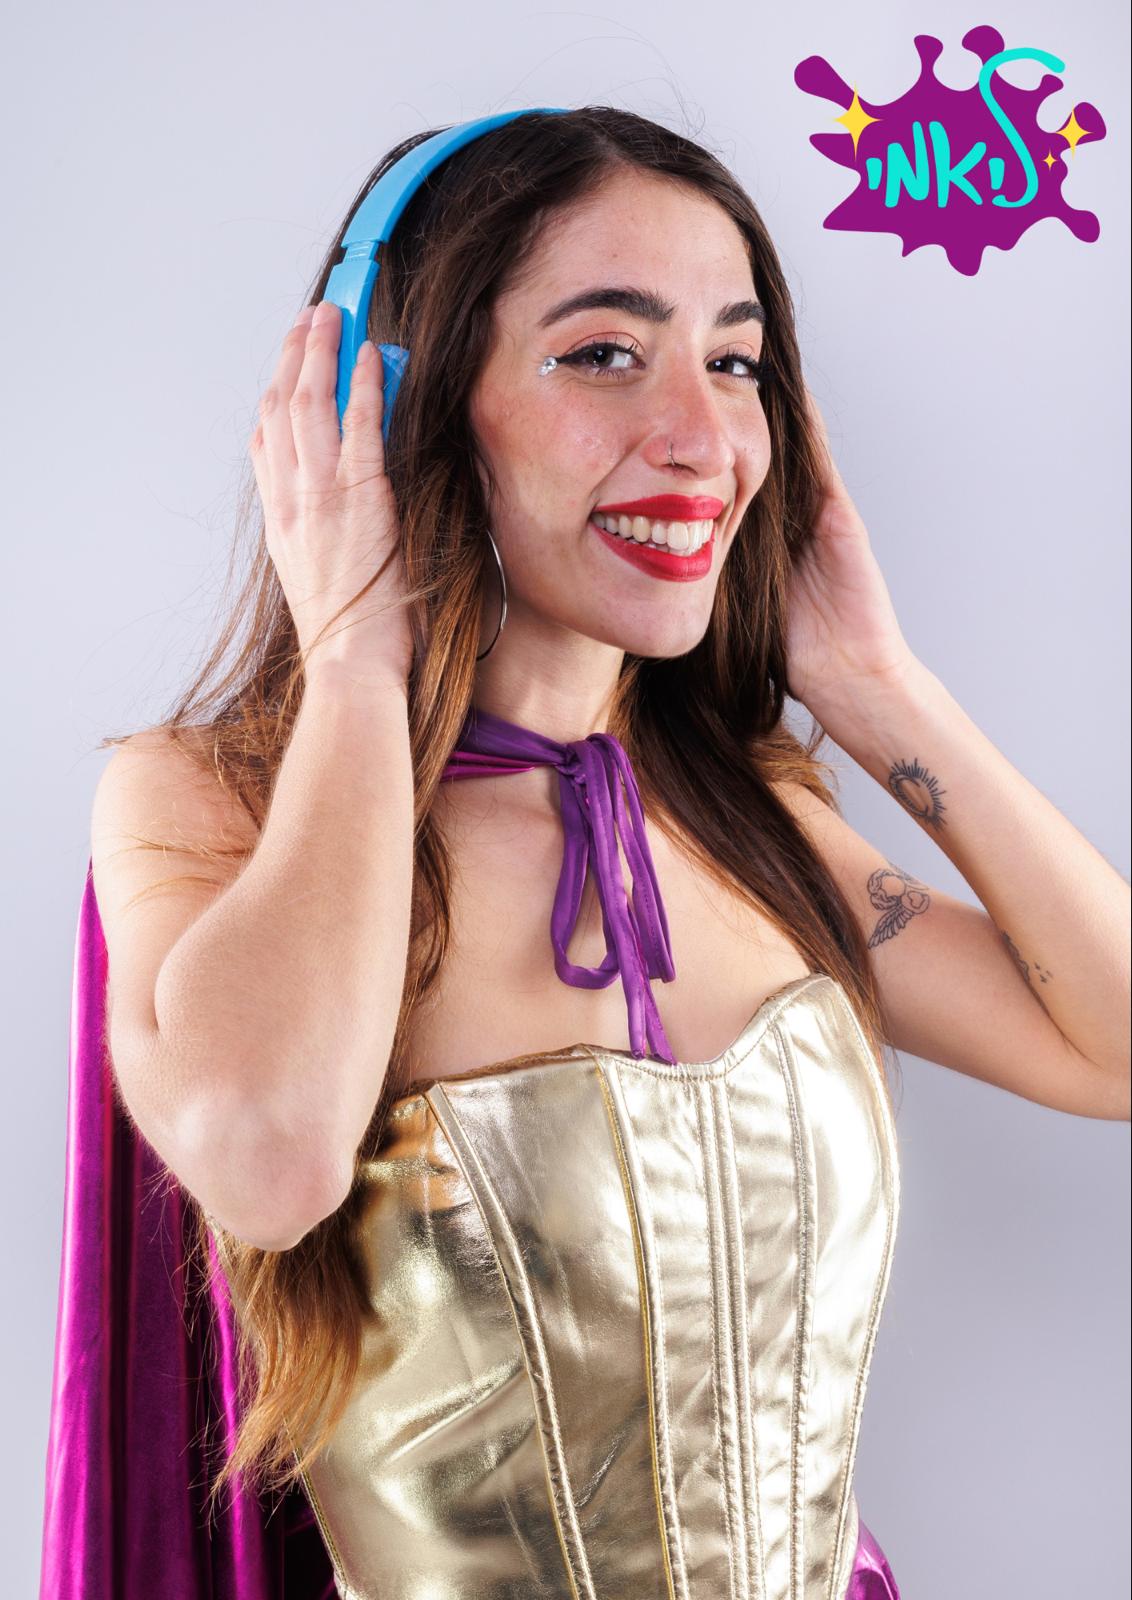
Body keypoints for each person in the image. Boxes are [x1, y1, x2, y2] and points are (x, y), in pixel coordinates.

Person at [41, 107, 1129, 1600]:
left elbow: (1116, 1045)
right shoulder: (208, 804)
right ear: (391, 403)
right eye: (605, 353)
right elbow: (269, 1162)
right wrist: (356, 653)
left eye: (735, 363)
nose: (701, 438)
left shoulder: (747, 815)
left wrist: (879, 688)